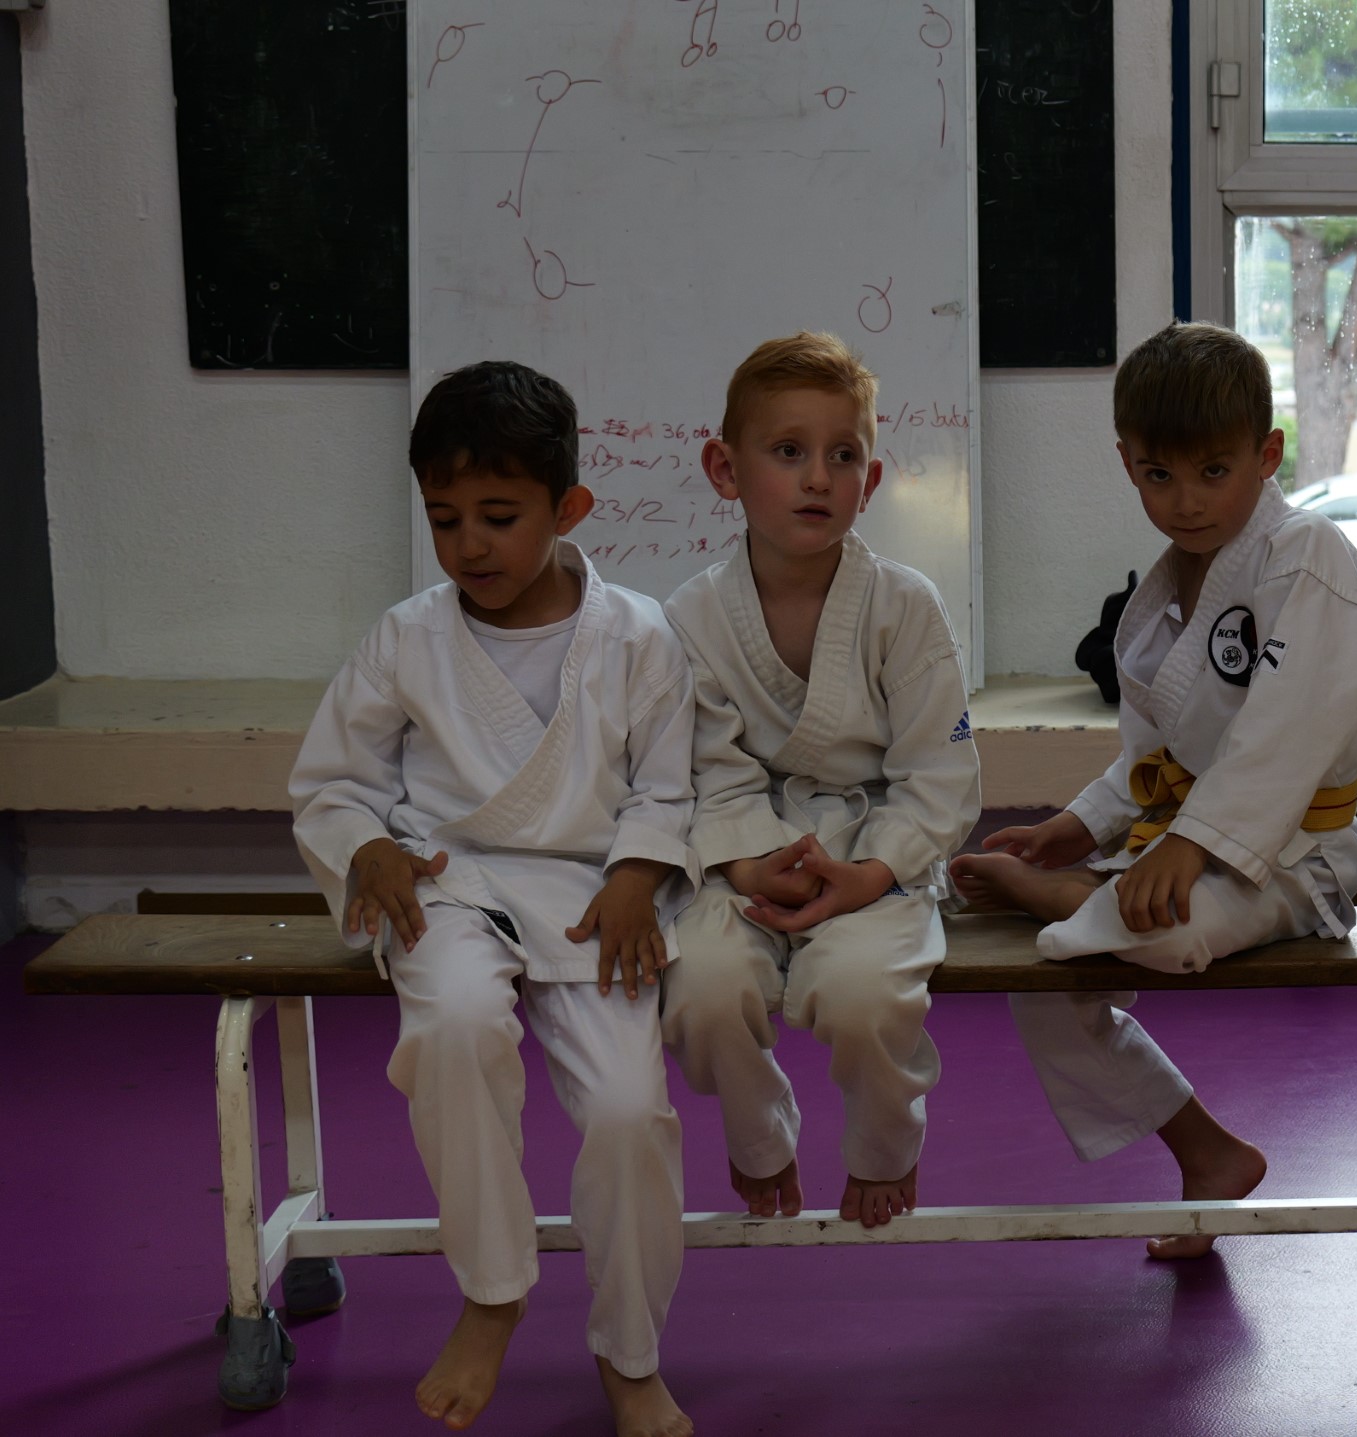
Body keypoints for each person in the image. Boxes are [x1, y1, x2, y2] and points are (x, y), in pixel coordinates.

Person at [289, 361, 699, 1436]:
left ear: (569, 509)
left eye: (500, 517)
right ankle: (493, 1290)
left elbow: (668, 786)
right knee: (456, 1027)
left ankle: (631, 1352)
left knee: (628, 1111)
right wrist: (368, 846)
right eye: (445, 519)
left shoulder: (640, 634)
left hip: (593, 899)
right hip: (447, 886)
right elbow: (333, 782)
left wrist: (638, 872)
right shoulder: (407, 637)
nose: (470, 544)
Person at [950, 321, 1357, 1259]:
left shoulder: (1307, 554)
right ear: (1127, 463)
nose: (1185, 500)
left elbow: (1287, 731)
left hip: (1294, 859)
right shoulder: (1167, 588)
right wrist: (1079, 822)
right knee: (1043, 986)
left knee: (1169, 930)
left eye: (1213, 472)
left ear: (1267, 454)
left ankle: (1070, 899)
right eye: (1158, 474)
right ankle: (1207, 1151)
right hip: (1192, 839)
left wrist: (1193, 842)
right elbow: (1157, 758)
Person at [657, 332, 981, 1230]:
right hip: (743, 856)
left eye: (843, 456)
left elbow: (939, 773)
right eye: (788, 450)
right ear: (725, 469)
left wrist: (871, 872)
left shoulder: (906, 606)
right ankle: (759, 1135)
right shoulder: (690, 616)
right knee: (703, 988)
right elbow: (706, 769)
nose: (816, 478)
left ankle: (885, 1144)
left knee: (864, 994)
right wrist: (749, 861)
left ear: (869, 482)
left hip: (874, 853)